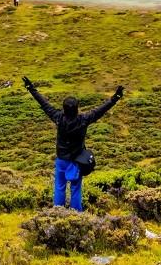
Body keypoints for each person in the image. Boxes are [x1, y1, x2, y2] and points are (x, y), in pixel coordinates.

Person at [23, 77, 124, 211]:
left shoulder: (58, 118)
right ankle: (76, 213)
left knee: (59, 186)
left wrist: (31, 89)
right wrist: (115, 98)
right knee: (76, 188)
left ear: (64, 109)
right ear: (77, 109)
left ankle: (58, 212)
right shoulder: (84, 120)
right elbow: (100, 110)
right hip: (77, 161)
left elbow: (44, 104)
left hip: (61, 160)